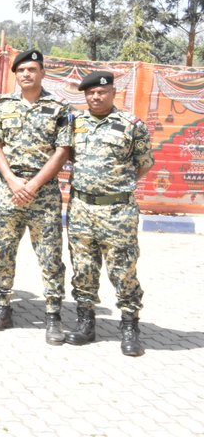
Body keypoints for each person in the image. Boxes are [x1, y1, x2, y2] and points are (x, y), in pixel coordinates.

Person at [0, 50, 72, 345]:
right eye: (20, 70)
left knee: (49, 257)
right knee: (3, 253)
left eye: (32, 69)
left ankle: (52, 315)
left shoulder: (59, 107)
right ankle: (3, 308)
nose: (26, 74)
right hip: (9, 190)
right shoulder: (3, 105)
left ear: (43, 73)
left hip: (43, 192)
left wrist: (33, 184)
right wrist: (10, 179)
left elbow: (62, 151)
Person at [65, 71, 154, 357]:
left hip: (117, 211)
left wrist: (116, 187)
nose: (96, 96)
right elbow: (68, 156)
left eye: (102, 92)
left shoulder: (131, 125)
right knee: (83, 269)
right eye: (90, 93)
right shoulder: (75, 123)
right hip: (81, 208)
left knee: (123, 270)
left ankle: (130, 326)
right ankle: (85, 323)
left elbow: (144, 164)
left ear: (113, 92)